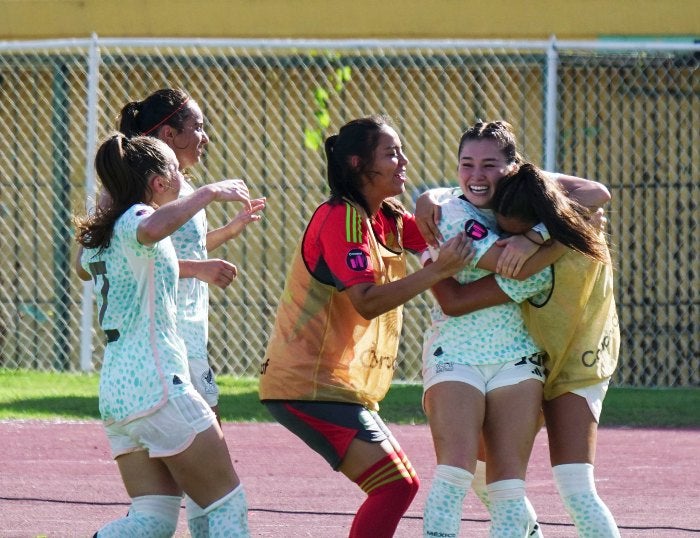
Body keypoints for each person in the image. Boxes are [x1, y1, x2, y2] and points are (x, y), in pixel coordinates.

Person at [258, 115, 474, 537]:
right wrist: (434, 273)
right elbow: (366, 302)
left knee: (397, 485)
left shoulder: (387, 218)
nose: (403, 160)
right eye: (391, 153)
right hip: (307, 385)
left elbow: (442, 235)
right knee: (396, 486)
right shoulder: (342, 219)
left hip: (336, 387)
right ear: (358, 164)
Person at [423, 162, 621, 537]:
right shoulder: (549, 220)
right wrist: (429, 198)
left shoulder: (564, 244)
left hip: (575, 365)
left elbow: (597, 191)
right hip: (527, 358)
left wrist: (536, 240)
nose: (505, 245)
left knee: (575, 486)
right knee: (482, 475)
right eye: (502, 234)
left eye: (514, 236)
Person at [75, 133, 251, 537]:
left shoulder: (104, 233)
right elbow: (151, 227)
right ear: (158, 183)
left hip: (117, 392)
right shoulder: (138, 219)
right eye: (175, 169)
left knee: (152, 518)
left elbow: (90, 265)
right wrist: (208, 192)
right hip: (157, 383)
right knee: (226, 503)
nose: (182, 178)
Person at [118, 88, 266, 425]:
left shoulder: (181, 188)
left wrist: (228, 231)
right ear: (169, 133)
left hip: (191, 328)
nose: (206, 137)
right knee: (203, 435)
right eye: (197, 127)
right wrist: (200, 268)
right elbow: (137, 259)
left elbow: (176, 252)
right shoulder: (148, 188)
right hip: (163, 330)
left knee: (200, 434)